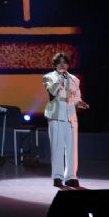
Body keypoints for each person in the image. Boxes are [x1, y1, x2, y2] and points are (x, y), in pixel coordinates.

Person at [43, 52, 89, 187]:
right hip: (56, 115)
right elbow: (53, 91)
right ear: (55, 64)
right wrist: (61, 79)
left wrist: (79, 102)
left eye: (65, 62)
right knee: (57, 146)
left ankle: (71, 177)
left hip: (71, 115)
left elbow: (76, 97)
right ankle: (57, 176)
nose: (62, 65)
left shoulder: (75, 79)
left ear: (68, 64)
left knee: (72, 147)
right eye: (59, 62)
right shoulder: (48, 77)